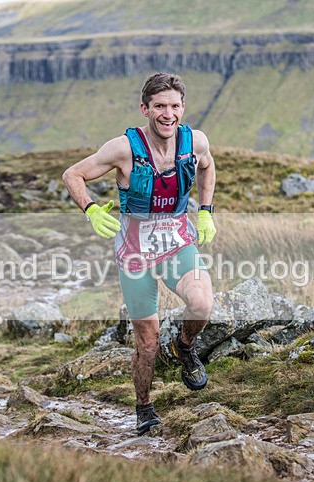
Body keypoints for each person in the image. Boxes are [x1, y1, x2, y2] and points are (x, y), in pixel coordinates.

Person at [63, 72, 217, 435]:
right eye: (160, 106)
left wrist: (206, 211)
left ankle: (183, 346)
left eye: (175, 106)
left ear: (183, 108)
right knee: (146, 342)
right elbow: (73, 174)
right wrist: (91, 209)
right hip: (136, 253)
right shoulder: (124, 149)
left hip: (177, 240)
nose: (168, 114)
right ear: (145, 109)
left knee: (202, 304)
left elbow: (208, 167)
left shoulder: (195, 141)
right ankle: (144, 407)